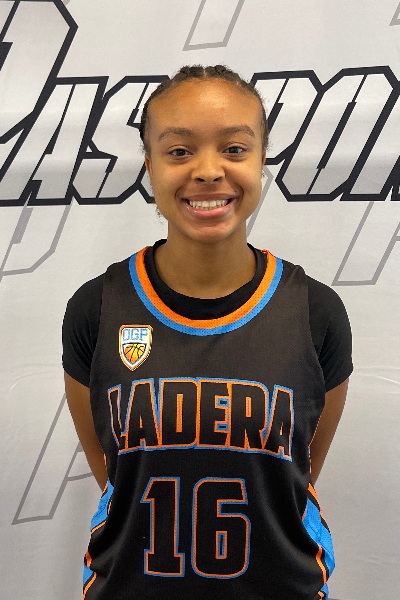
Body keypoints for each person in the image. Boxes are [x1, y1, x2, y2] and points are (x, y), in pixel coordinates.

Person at [63, 65, 352, 600]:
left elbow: (299, 475)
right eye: (179, 151)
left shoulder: (316, 313)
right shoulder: (96, 309)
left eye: (235, 149)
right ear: (149, 167)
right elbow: (114, 477)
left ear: (262, 160)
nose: (208, 171)